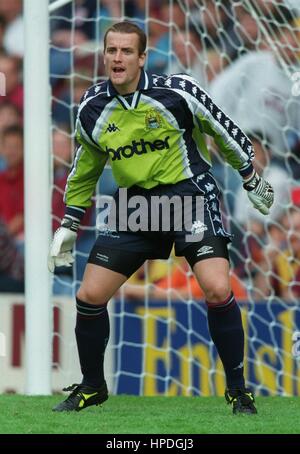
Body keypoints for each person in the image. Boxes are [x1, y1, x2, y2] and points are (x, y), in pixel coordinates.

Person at [48, 21, 274, 414]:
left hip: (188, 196)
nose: (117, 58)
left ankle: (239, 390)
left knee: (217, 288)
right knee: (89, 295)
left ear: (141, 57)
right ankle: (92, 386)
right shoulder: (92, 108)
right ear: (104, 56)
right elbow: (85, 167)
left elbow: (222, 129)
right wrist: (70, 222)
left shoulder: (177, 92)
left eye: (126, 52)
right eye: (111, 51)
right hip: (135, 206)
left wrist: (249, 175)